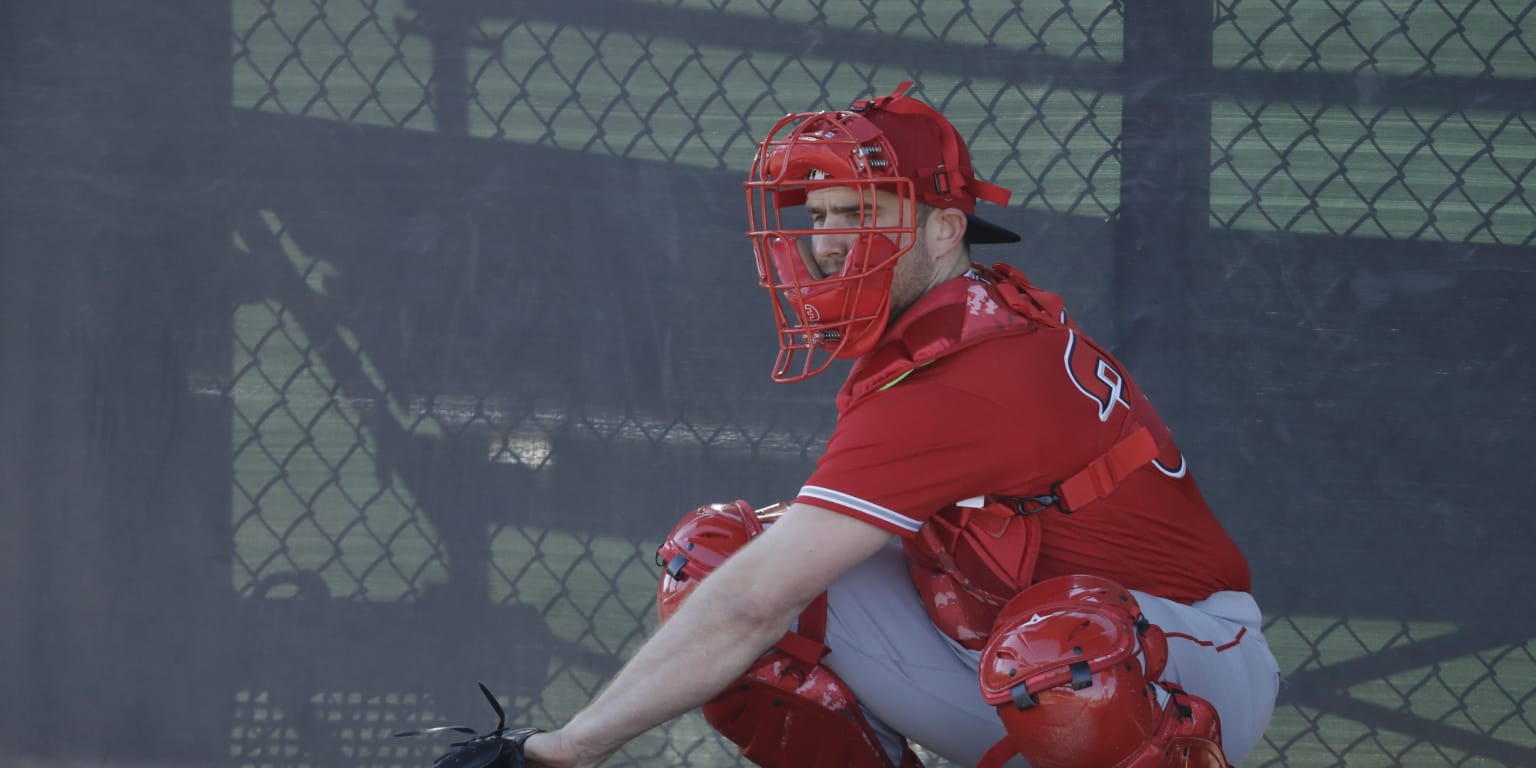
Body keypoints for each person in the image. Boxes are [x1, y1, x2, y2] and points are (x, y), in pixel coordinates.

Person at [518, 82, 1280, 768]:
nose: (828, 241)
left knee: (1059, 650)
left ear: (944, 230)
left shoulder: (973, 374)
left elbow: (756, 605)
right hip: (1007, 660)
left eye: (859, 213)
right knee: (718, 560)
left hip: (1182, 670)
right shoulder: (937, 337)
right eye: (819, 215)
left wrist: (575, 745)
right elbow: (754, 587)